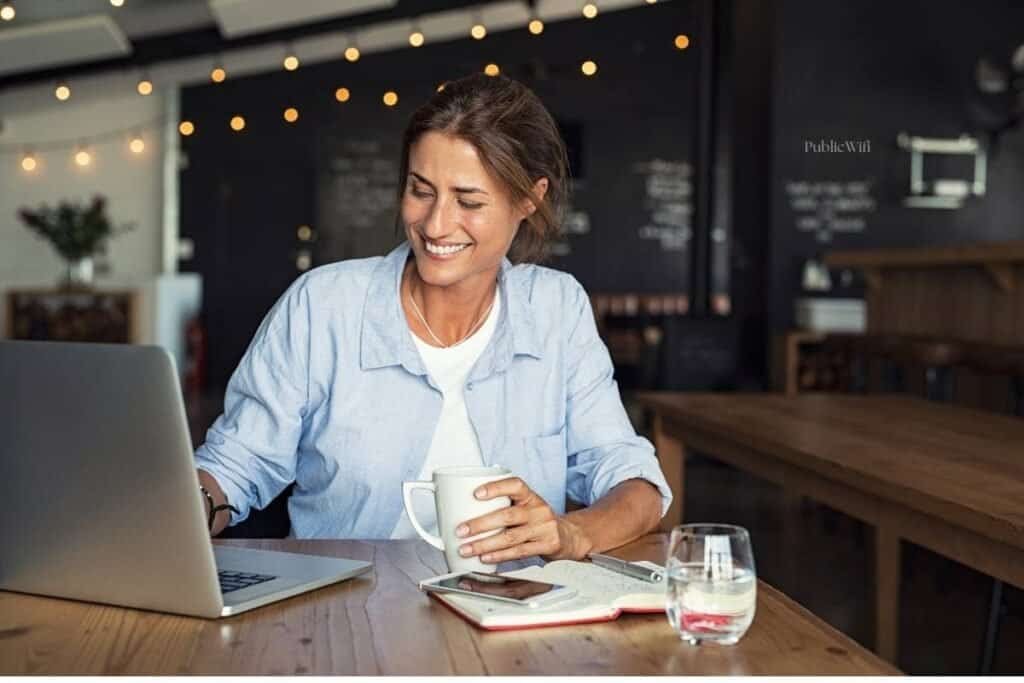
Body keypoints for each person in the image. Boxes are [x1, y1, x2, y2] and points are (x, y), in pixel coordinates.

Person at [195, 73, 672, 566]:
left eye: (468, 201)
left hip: (516, 624)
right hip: (345, 620)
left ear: (529, 200)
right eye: (420, 190)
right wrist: (185, 507)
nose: (436, 224)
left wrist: (570, 533)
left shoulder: (556, 310)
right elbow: (236, 463)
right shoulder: (324, 305)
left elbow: (635, 485)